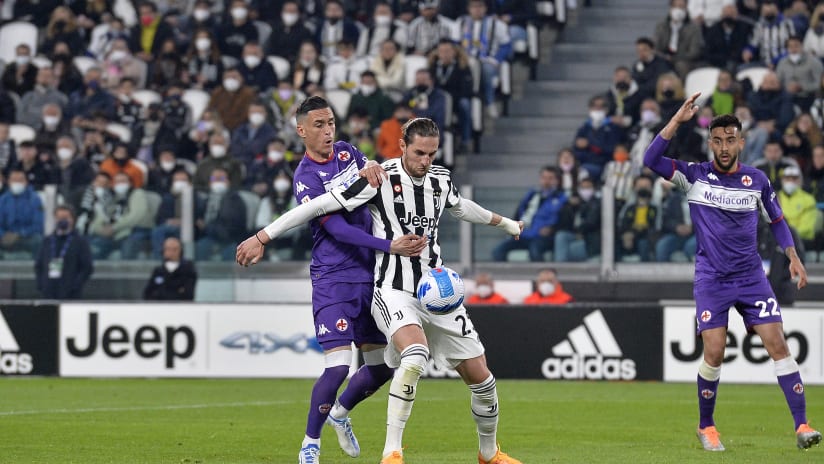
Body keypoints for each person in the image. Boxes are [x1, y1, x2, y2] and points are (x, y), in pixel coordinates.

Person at [237, 115, 525, 464]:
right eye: (419, 153)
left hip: (436, 289)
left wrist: (507, 223)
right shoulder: (378, 179)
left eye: (432, 154)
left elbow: (463, 207)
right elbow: (316, 207)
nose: (425, 161)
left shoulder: (440, 179)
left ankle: (488, 453)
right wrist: (262, 236)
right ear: (402, 146)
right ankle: (391, 453)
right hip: (392, 287)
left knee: (482, 379)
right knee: (414, 356)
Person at [242, 96, 426, 464]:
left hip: (370, 275)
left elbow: (371, 179)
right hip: (334, 277)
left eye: (331, 123)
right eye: (319, 125)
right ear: (301, 131)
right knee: (339, 365)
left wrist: (373, 164)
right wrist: (389, 245)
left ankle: (340, 414)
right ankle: (310, 443)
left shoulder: (346, 152)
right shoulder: (305, 178)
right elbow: (338, 229)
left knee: (380, 370)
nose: (328, 131)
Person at [643, 91, 822, 451]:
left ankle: (802, 425)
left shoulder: (756, 180)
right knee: (714, 351)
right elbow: (651, 159)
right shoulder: (693, 176)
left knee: (778, 344)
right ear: (710, 142)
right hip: (712, 279)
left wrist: (792, 255)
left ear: (741, 141)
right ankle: (706, 426)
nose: (724, 147)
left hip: (752, 278)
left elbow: (778, 220)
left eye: (730, 140)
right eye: (717, 140)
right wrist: (678, 121)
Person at [492, 166, 566, 262]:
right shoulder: (532, 195)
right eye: (544, 178)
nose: (546, 181)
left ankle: (541, 276)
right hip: (524, 235)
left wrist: (552, 229)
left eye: (550, 178)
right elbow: (519, 213)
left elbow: (564, 221)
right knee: (498, 251)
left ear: (557, 181)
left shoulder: (562, 199)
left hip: (544, 238)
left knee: (535, 251)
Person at [34, 205, 93, 299]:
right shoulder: (47, 241)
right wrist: (41, 285)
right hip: (48, 292)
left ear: (72, 219)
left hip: (71, 294)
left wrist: (75, 286)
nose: (62, 220)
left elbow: (86, 268)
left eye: (65, 217)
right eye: (59, 218)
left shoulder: (80, 242)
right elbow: (39, 265)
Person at [0, 169, 44, 258]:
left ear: (26, 182)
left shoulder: (35, 199)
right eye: (14, 180)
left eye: (20, 180)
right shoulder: (3, 200)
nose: (17, 183)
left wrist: (19, 234)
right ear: (8, 182)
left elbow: (38, 224)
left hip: (26, 237)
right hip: (5, 237)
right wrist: (3, 234)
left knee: (38, 240)